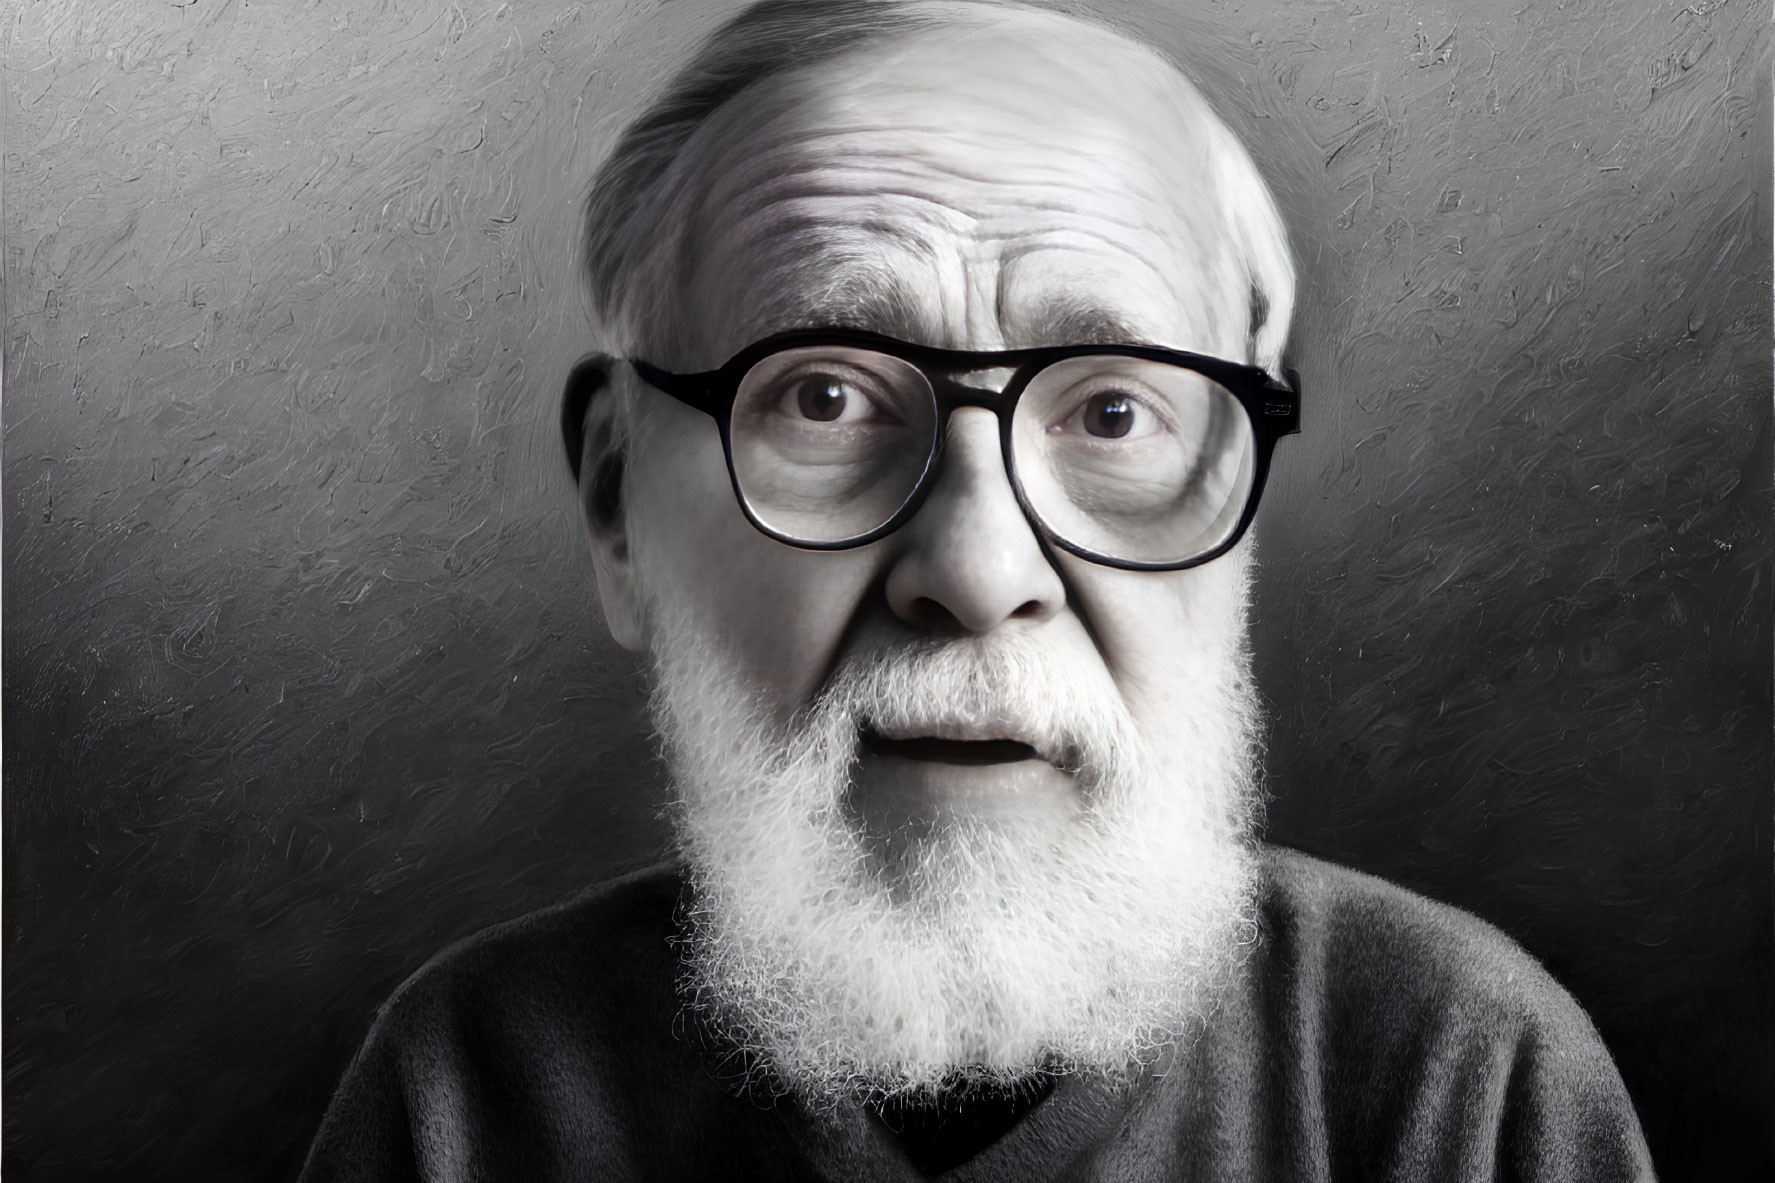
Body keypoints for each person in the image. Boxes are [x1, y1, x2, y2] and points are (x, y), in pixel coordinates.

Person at [301, 2, 1655, 1178]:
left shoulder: (1458, 1080)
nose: (976, 570)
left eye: (1114, 414)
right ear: (617, 506)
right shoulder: (469, 1100)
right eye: (824, 397)